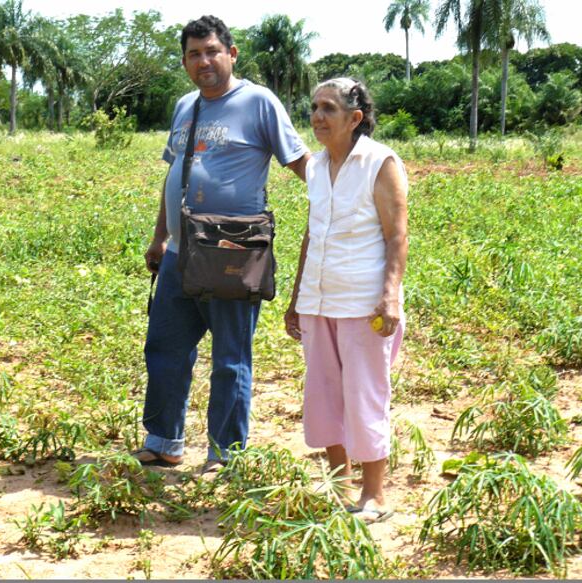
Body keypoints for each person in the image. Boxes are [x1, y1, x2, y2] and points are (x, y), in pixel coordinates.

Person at [134, 15, 310, 474]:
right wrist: (160, 237)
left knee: (231, 358)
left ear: (231, 54)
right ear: (185, 61)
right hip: (179, 254)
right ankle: (164, 440)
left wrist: (343, 200)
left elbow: (302, 163)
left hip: (230, 253)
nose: (203, 61)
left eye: (212, 51)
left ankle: (225, 452)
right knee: (165, 346)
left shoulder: (259, 102)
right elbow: (174, 174)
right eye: (194, 54)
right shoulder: (184, 106)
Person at [284, 77, 408, 522]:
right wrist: (297, 297)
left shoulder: (380, 163)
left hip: (362, 303)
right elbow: (312, 233)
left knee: (364, 395)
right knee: (324, 395)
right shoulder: (316, 167)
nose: (318, 117)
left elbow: (397, 236)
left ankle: (373, 495)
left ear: (355, 118)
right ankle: (339, 485)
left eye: (329, 109)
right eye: (315, 107)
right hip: (319, 300)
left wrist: (390, 297)